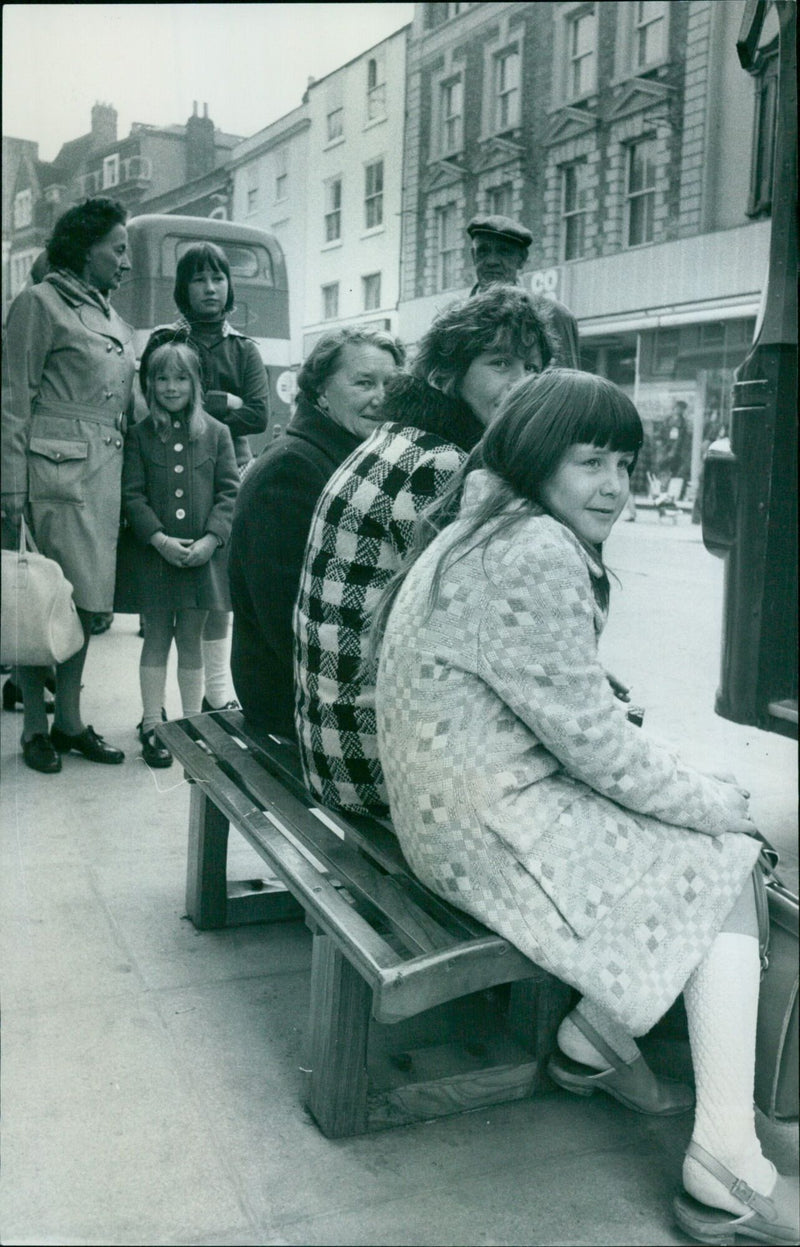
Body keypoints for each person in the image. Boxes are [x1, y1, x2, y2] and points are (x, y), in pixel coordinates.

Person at [373, 369, 796, 1246]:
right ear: (536, 457)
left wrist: (698, 791)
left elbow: (577, 721)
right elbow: (598, 750)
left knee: (706, 821)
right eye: (591, 460)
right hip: (485, 827)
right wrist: (717, 805)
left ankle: (593, 1044)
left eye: (626, 465)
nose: (614, 485)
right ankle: (724, 1164)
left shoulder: (485, 524)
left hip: (452, 809)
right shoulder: (533, 549)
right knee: (725, 859)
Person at [294, 286, 555, 818]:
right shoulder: (443, 467)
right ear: (445, 376)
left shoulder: (399, 440)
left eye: (532, 366)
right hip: (378, 765)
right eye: (500, 363)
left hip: (335, 741)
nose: (522, 383)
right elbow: (486, 636)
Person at [1, 197, 135, 774]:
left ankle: (70, 722)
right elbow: (12, 397)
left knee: (83, 606)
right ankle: (35, 727)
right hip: (50, 474)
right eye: (118, 249)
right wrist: (10, 487)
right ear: (86, 249)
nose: (126, 262)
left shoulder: (114, 320)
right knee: (42, 601)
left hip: (103, 478)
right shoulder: (38, 303)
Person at [229, 326, 405, 743]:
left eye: (390, 384)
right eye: (364, 383)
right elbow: (288, 621)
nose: (381, 397)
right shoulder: (293, 471)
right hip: (291, 702)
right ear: (319, 392)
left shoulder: (339, 455)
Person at [138, 242, 270, 713]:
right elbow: (150, 399)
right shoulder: (164, 341)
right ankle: (165, 709)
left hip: (227, 467)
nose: (210, 288)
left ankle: (218, 690)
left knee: (217, 593)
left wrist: (215, 406)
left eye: (218, 278)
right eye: (198, 279)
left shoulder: (244, 348)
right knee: (179, 602)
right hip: (173, 470)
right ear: (183, 288)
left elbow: (257, 415)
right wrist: (224, 401)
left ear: (229, 286)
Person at [117, 340, 238, 767]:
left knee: (190, 639)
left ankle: (193, 724)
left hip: (200, 560)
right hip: (155, 558)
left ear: (196, 383)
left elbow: (229, 493)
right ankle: (153, 724)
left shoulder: (217, 434)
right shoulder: (139, 435)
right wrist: (160, 540)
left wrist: (210, 541)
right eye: (162, 378)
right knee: (156, 638)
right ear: (150, 384)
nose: (171, 387)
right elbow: (132, 497)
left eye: (181, 377)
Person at [467, 214, 580, 367]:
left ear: (521, 259)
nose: (492, 261)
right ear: (473, 257)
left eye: (504, 251)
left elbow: (569, 385)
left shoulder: (554, 315)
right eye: (483, 251)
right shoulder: (453, 319)